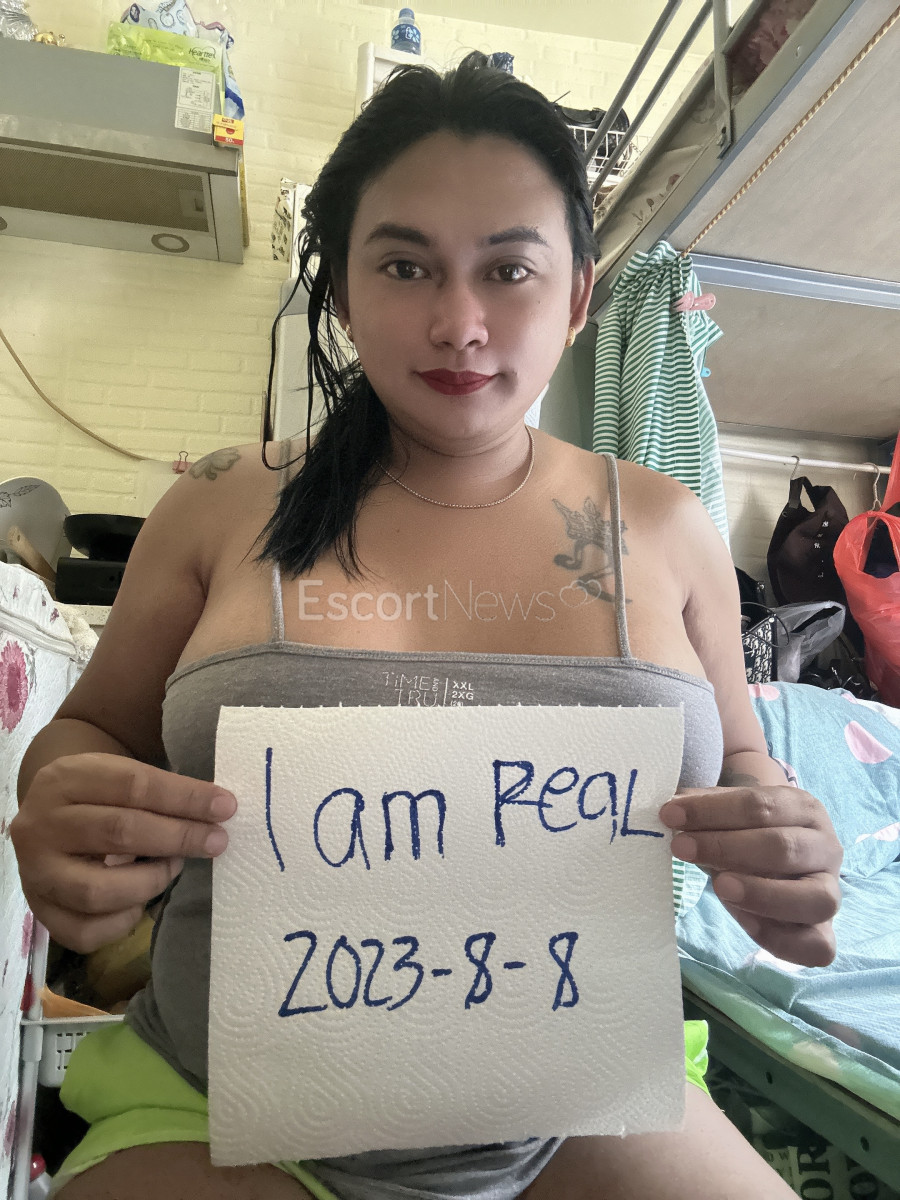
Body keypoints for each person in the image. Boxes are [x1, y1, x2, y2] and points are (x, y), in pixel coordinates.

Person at [12, 52, 841, 1200]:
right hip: (220, 1107)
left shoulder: (667, 525)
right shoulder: (217, 502)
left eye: (509, 269)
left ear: (578, 296)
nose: (459, 323)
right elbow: (90, 731)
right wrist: (65, 803)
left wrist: (779, 837)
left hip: (584, 1107)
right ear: (346, 291)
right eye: (405, 266)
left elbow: (745, 760)